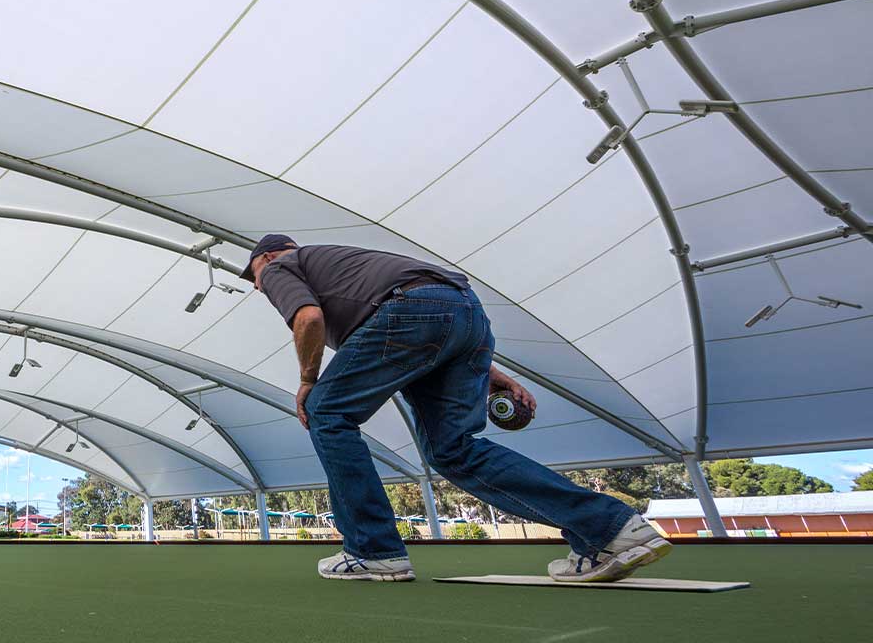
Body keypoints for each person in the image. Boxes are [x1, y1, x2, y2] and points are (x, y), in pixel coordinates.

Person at [242, 234, 670, 583]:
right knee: (452, 449)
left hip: (408, 314)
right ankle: (610, 528)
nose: (257, 286)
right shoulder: (346, 267)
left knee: (326, 411)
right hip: (465, 315)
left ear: (269, 256)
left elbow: (308, 318)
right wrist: (490, 371)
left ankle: (372, 550)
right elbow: (439, 310)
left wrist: (307, 382)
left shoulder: (282, 266)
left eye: (253, 275)